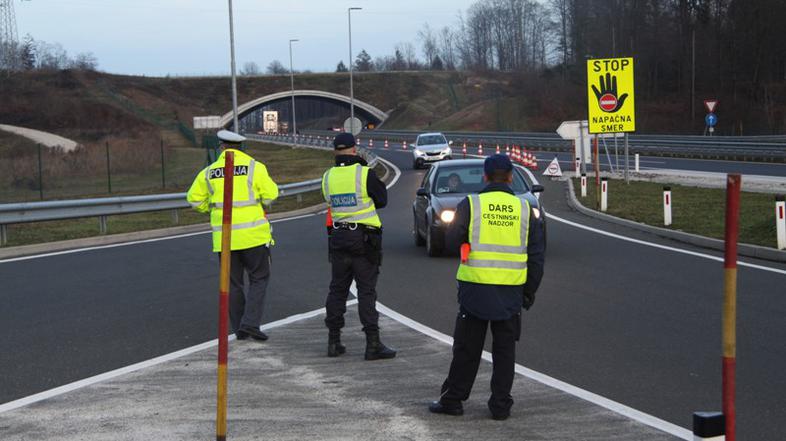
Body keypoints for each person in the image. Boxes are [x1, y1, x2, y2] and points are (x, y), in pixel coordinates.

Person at [429, 154, 545, 420]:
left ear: (485, 175)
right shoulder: (526, 210)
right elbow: (537, 256)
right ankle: (500, 406)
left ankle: (454, 400)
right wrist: (529, 291)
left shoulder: (470, 205)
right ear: (510, 177)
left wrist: (468, 246)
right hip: (510, 292)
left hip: (475, 290)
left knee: (467, 349)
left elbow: (451, 241)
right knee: (505, 352)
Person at [186, 130, 279, 342]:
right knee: (259, 278)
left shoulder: (209, 172)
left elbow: (193, 200)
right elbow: (271, 195)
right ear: (240, 148)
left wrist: (210, 208)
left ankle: (239, 329)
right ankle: (251, 323)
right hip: (253, 237)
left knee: (233, 283)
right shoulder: (255, 167)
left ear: (221, 147)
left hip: (224, 239)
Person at [322, 132, 396, 360]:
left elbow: (329, 202)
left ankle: (333, 341)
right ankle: (372, 344)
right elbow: (382, 200)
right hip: (364, 241)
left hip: (338, 238)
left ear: (335, 151)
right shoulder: (364, 173)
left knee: (337, 290)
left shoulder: (327, 177)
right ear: (355, 150)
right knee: (366, 291)